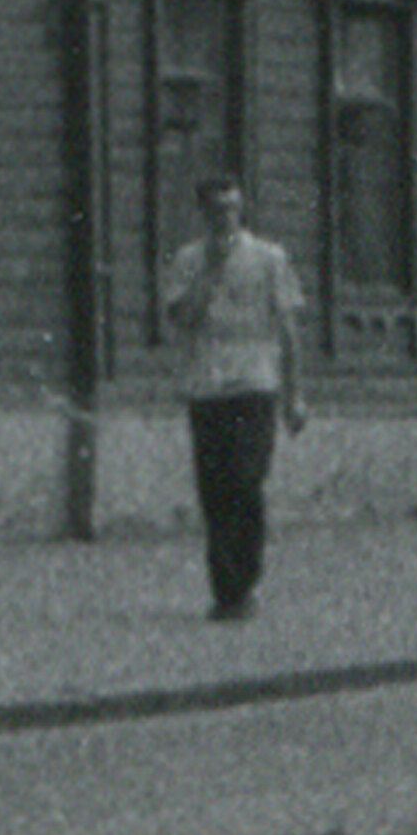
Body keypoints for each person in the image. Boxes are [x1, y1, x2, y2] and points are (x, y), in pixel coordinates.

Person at [155, 168, 310, 622]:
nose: (225, 217)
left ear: (241, 210)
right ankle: (226, 593)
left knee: (246, 481)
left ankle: (246, 578)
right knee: (215, 489)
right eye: (216, 210)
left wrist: (294, 396)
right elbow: (182, 316)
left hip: (255, 384)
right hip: (207, 387)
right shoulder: (187, 260)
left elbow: (288, 330)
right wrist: (210, 272)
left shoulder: (268, 258)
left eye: (232, 208)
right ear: (203, 213)